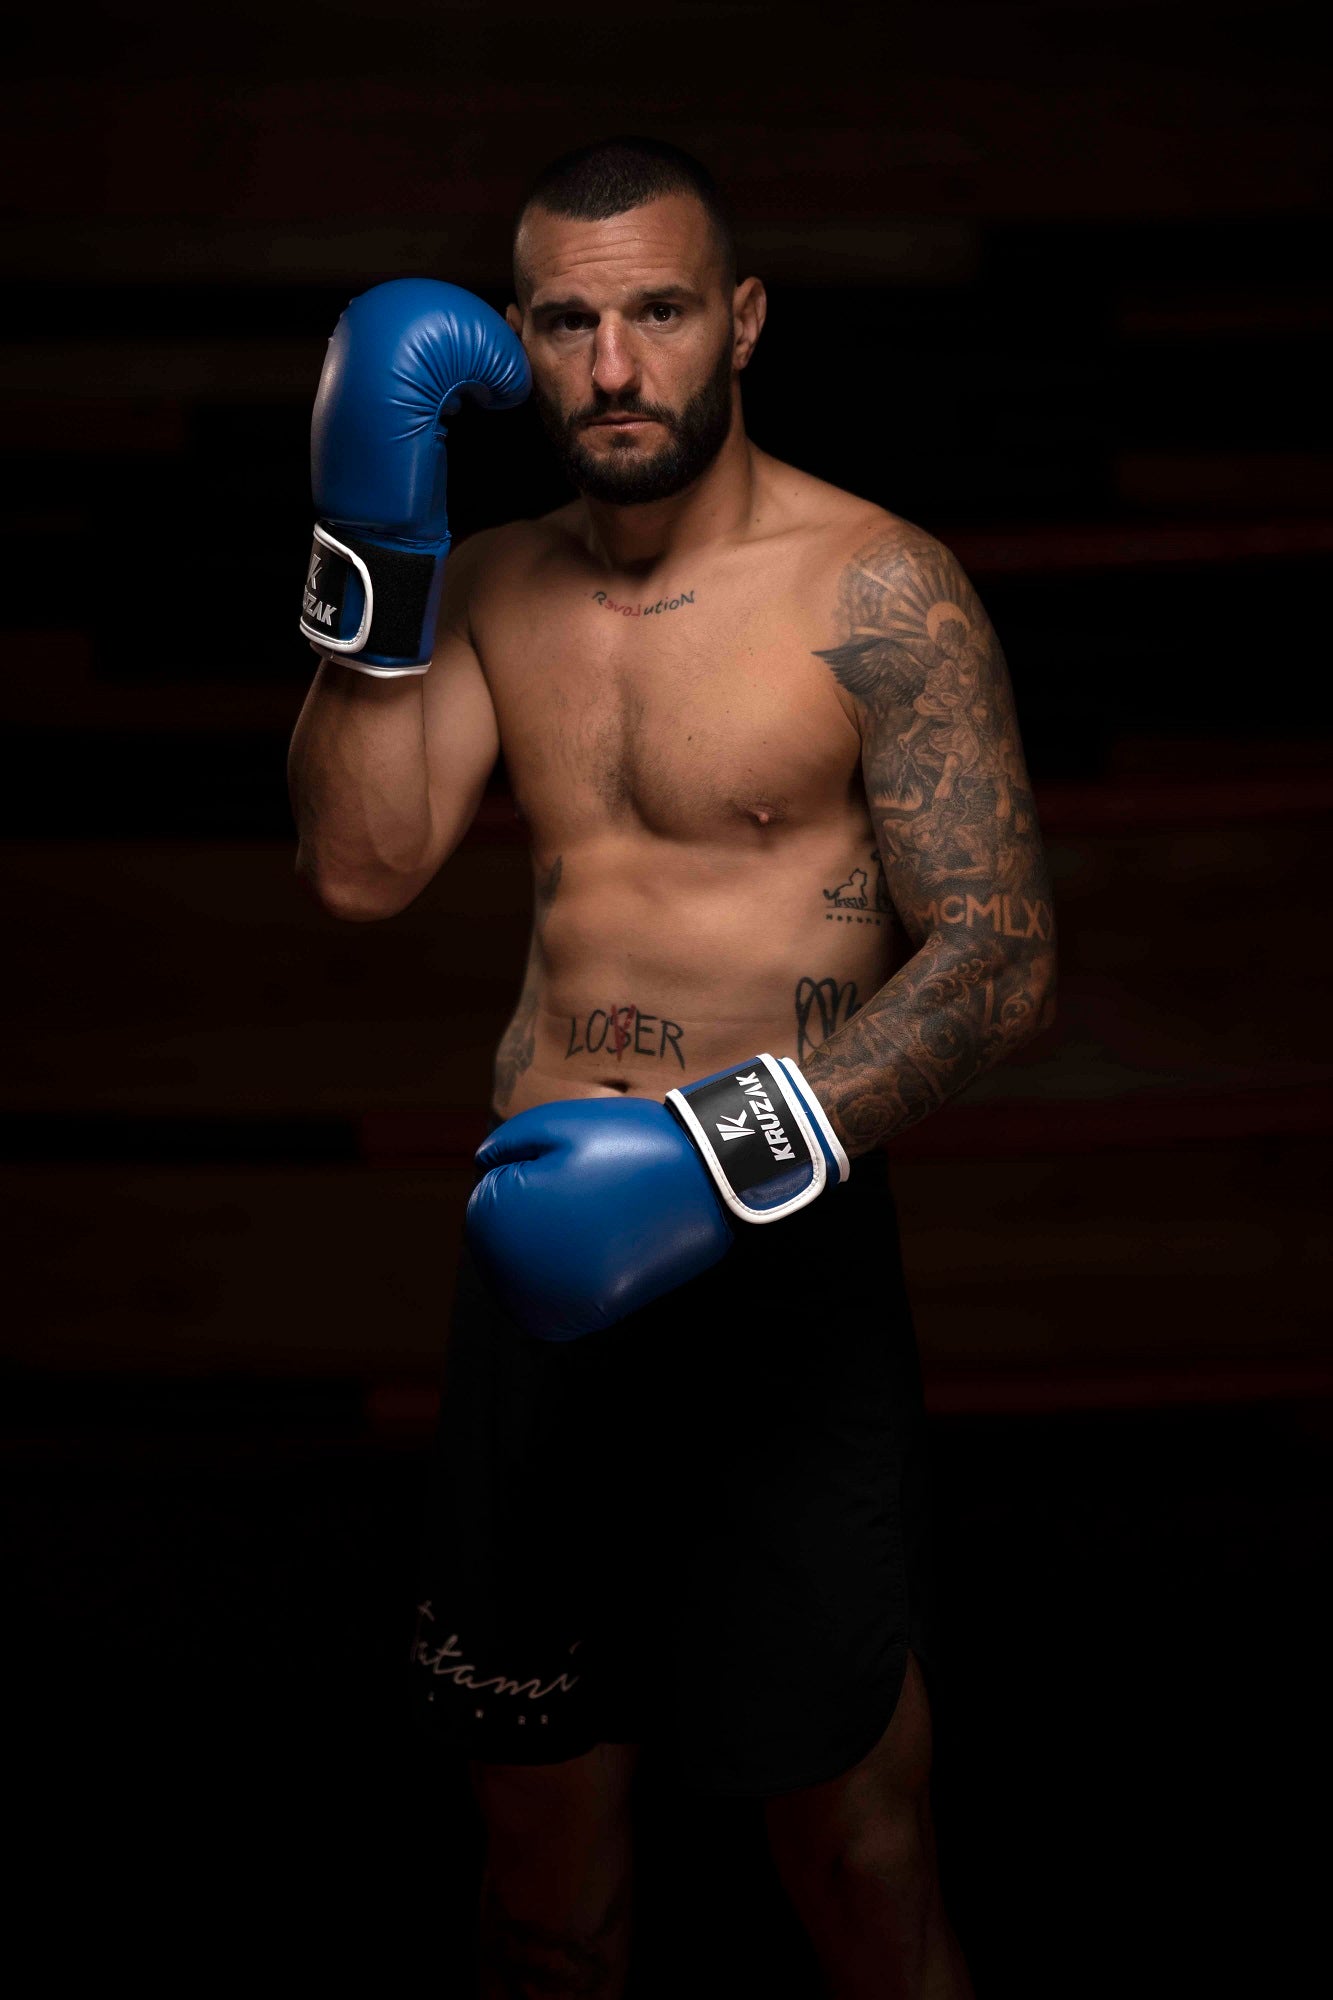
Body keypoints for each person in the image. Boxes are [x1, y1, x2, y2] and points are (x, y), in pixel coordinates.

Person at [288, 135, 1056, 2000]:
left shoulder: (877, 587)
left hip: (775, 1270)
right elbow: (361, 867)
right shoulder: (480, 583)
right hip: (540, 1281)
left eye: (655, 313)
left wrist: (729, 1149)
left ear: (741, 321)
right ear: (510, 347)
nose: (612, 365)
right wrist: (367, 541)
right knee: (541, 1877)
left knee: (854, 1854)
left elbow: (1000, 958)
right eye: (564, 321)